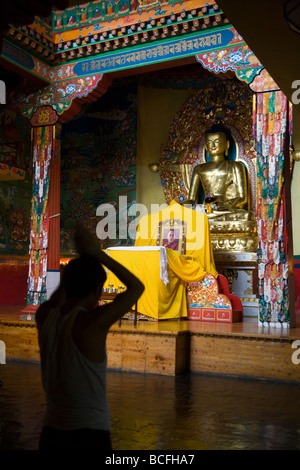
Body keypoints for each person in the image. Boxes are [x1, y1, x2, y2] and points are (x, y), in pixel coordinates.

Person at [36, 224, 144, 450]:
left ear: (67, 283)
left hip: (51, 433)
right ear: (97, 292)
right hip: (89, 434)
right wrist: (95, 253)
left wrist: (77, 268)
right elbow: (136, 287)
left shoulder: (44, 316)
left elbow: (60, 297)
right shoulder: (91, 323)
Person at [183, 124, 254, 221]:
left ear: (227, 144)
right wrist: (179, 206)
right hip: (207, 210)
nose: (212, 145)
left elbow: (242, 198)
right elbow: (191, 199)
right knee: (189, 216)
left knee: (245, 216)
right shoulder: (199, 168)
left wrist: (222, 205)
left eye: (217, 141)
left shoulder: (236, 166)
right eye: (208, 143)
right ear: (206, 147)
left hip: (226, 210)